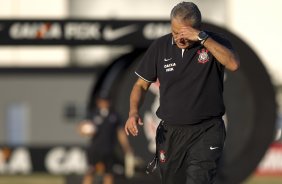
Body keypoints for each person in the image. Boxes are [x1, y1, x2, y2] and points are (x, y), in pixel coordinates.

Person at [124, 2, 240, 184]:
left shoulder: (215, 42)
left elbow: (233, 64)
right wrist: (133, 112)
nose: (179, 38)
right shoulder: (160, 46)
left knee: (198, 179)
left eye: (184, 33)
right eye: (175, 32)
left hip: (207, 130)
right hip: (171, 132)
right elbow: (140, 85)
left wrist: (202, 38)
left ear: (198, 28)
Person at [79, 97, 133, 184]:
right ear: (98, 102)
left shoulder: (115, 115)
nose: (105, 103)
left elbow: (120, 133)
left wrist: (126, 147)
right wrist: (86, 131)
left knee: (109, 174)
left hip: (108, 149)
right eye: (102, 101)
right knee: (90, 171)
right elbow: (81, 128)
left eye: (106, 101)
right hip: (95, 149)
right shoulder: (92, 114)